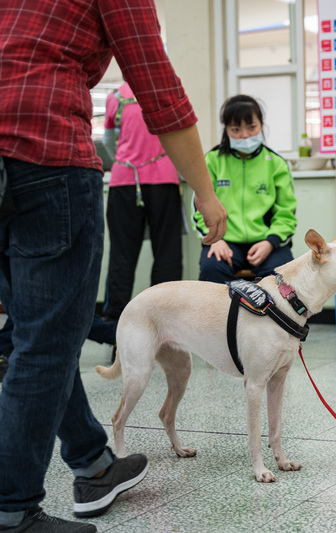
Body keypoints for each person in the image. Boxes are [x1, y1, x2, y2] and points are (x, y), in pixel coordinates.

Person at [0, 1, 227, 531]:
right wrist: (206, 192)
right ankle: (13, 510)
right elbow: (159, 87)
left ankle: (93, 462)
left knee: (38, 335)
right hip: (48, 159)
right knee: (47, 344)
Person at [102, 81, 184, 322]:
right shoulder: (168, 89)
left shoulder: (116, 96)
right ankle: (164, 319)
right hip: (163, 179)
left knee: (121, 254)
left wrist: (127, 160)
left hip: (124, 180)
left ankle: (115, 321)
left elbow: (108, 142)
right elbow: (180, 136)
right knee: (167, 252)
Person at [193, 95, 298, 283]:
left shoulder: (276, 163)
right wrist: (215, 239)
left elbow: (286, 213)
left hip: (267, 241)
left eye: (252, 127)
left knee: (285, 277)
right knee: (211, 269)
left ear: (261, 125)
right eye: (235, 129)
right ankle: (222, 314)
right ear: (226, 129)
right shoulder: (212, 161)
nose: (244, 135)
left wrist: (270, 242)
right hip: (224, 240)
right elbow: (200, 207)